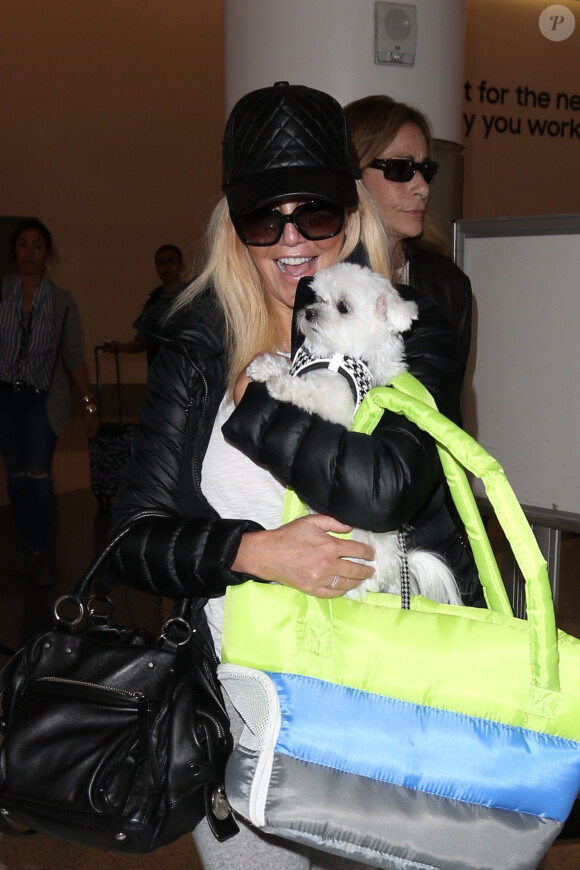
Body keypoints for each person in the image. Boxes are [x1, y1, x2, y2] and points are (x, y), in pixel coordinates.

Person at [111, 81, 483, 870]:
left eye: (313, 213)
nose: (291, 239)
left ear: (350, 215)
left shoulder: (414, 328)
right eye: (262, 217)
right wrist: (255, 554)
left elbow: (387, 488)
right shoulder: (197, 344)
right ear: (232, 227)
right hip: (244, 723)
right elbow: (132, 538)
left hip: (392, 708)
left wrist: (264, 412)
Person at [0, 218, 98, 586]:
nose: (29, 252)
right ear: (15, 251)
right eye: (23, 244)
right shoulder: (3, 290)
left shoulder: (61, 301)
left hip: (41, 400)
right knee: (15, 478)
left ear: (47, 253)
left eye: (37, 245)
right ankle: (26, 547)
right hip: (5, 398)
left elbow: (74, 356)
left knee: (38, 476)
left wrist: (89, 405)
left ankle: (38, 552)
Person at [344, 94, 473, 373]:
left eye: (426, 170)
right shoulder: (321, 276)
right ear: (353, 174)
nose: (423, 187)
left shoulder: (450, 286)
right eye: (400, 168)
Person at [105, 244, 187, 367]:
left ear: (180, 265)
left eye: (171, 261)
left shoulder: (190, 298)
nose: (166, 267)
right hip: (158, 375)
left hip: (186, 373)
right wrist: (121, 347)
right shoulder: (153, 303)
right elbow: (142, 341)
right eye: (161, 262)